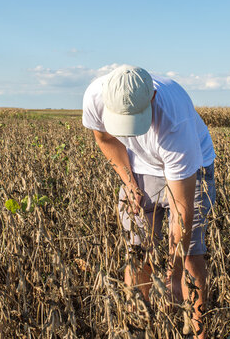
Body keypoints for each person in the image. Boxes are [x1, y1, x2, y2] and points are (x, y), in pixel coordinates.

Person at [82, 64, 216, 337]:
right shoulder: (95, 95)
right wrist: (128, 182)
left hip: (190, 169)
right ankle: (139, 328)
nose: (130, 132)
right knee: (137, 251)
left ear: (152, 97)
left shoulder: (174, 119)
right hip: (138, 168)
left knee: (190, 255)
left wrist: (174, 273)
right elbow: (104, 137)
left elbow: (182, 209)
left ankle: (197, 334)